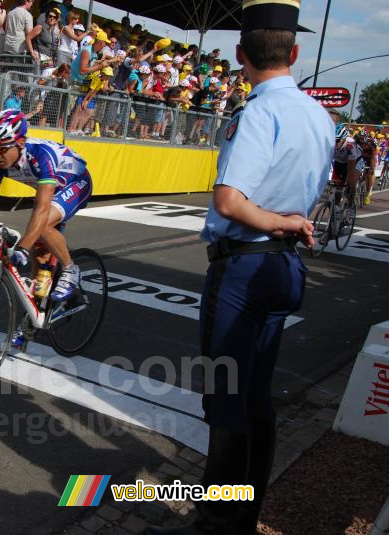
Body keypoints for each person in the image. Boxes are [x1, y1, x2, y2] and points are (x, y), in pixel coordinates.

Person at [144, 1, 335, 533]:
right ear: (293, 52)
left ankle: (214, 524)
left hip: (244, 269)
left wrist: (273, 220)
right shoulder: (319, 115)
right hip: (282, 268)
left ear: (240, 53)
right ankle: (244, 517)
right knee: (256, 399)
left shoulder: (258, 112)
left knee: (225, 402)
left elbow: (230, 201)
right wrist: (289, 222)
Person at [0, 109, 93, 308]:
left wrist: (22, 248)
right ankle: (33, 318)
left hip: (76, 183)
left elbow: (41, 209)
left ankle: (70, 269)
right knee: (39, 258)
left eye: (2, 149)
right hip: (54, 192)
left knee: (42, 224)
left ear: (20, 144)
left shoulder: (41, 156)